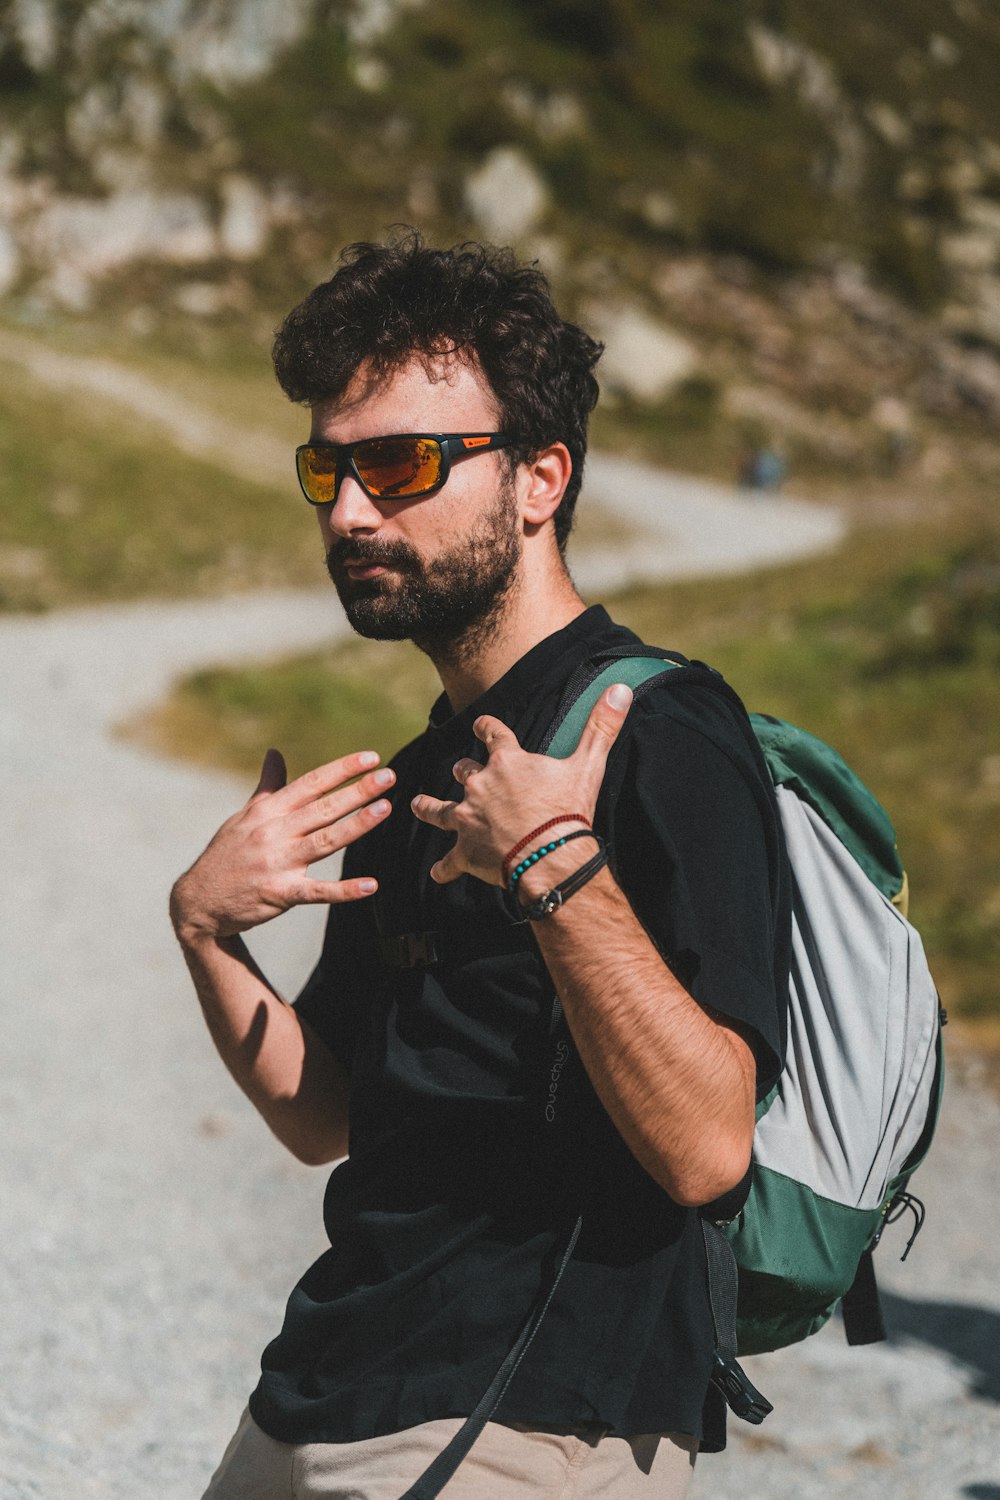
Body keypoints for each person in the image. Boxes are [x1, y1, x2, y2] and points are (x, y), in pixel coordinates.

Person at [170, 234, 789, 1500]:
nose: (350, 511)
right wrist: (204, 932)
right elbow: (323, 1116)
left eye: (398, 464)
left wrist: (556, 864)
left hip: (533, 1427)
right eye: (328, 470)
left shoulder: (666, 734)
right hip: (321, 1393)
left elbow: (709, 1149)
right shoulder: (415, 773)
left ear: (538, 477)